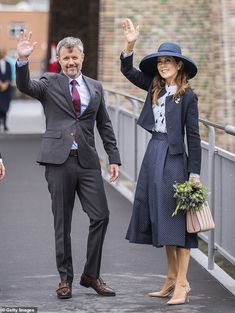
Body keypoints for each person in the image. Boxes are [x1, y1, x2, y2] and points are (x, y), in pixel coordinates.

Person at [16, 31, 121, 299]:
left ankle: (91, 274)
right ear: (59, 60)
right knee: (62, 223)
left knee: (101, 216)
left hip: (87, 163)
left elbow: (104, 124)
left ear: (82, 58)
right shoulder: (48, 83)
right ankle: (65, 279)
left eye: (75, 57)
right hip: (58, 162)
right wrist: (22, 60)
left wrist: (114, 157)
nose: (71, 62)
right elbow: (26, 86)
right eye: (66, 58)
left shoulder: (95, 86)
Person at [120, 19, 201, 305]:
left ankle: (182, 283)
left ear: (179, 66)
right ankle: (169, 278)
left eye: (170, 61)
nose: (164, 65)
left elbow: (193, 137)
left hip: (176, 160)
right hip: (154, 153)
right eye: (161, 61)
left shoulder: (188, 96)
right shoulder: (154, 86)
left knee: (178, 222)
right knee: (162, 219)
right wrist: (130, 43)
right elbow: (127, 70)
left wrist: (194, 173)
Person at [0, 47, 12, 132]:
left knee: (5, 107)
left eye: (4, 52)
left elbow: (10, 76)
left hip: (6, 90)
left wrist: (6, 84)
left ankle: (4, 124)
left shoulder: (8, 64)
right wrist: (1, 84)